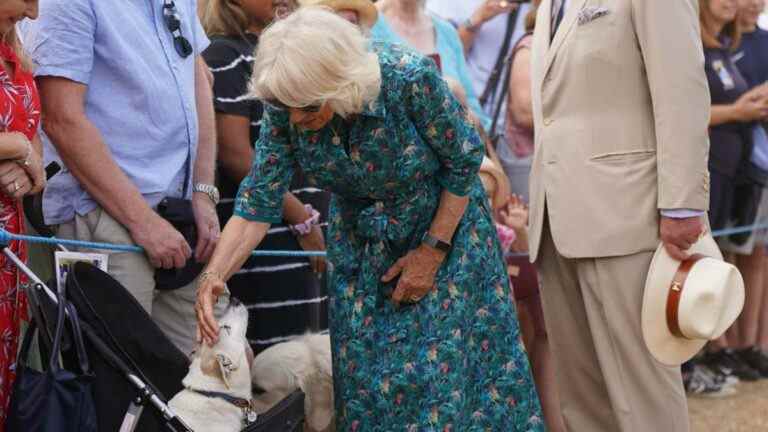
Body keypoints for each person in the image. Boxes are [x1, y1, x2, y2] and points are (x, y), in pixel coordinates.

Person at [197, 7, 543, 430]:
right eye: (286, 109)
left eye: (306, 109)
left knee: (440, 386)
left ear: (340, 84)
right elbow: (257, 201)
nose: (295, 121)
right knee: (366, 387)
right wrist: (215, 275)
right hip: (362, 250)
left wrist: (431, 253)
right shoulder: (289, 99)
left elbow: (464, 161)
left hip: (447, 239)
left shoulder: (406, 78)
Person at [529, 0, 710, 430]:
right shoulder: (546, 7)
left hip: (628, 214)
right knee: (581, 397)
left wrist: (682, 203)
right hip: (555, 218)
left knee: (643, 395)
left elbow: (681, 89)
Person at [25, 0, 225, 356]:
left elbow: (199, 81)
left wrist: (203, 191)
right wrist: (143, 221)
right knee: (122, 385)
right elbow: (61, 118)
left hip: (179, 216)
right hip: (107, 215)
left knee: (206, 370)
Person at [201, 0, 333, 353]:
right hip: (267, 234)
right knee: (275, 364)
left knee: (313, 359)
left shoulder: (296, 54)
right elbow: (238, 157)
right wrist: (302, 219)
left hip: (308, 227)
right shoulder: (224, 54)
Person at [700, 0, 768, 385]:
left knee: (733, 255)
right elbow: (690, 110)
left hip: (737, 167)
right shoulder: (695, 48)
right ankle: (714, 346)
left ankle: (734, 346)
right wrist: (739, 111)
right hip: (710, 169)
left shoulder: (724, 47)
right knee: (710, 257)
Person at [427, 0, 533, 198]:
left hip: (515, 136)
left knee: (513, 213)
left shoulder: (546, 7)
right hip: (470, 124)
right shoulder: (451, 6)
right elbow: (444, 59)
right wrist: (479, 17)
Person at [0, 0, 45, 426]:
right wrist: (17, 148)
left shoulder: (13, 52)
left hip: (11, 243)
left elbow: (33, 133)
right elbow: (21, 141)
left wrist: (32, 168)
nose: (34, 13)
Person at [371, 0, 490, 127]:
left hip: (450, 142)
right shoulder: (369, 26)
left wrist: (459, 104)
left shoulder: (447, 32)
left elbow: (476, 113)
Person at [730, 0, 768, 379]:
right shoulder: (719, 43)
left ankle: (754, 342)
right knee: (727, 257)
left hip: (760, 165)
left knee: (757, 255)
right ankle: (725, 345)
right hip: (730, 166)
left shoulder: (766, 41)